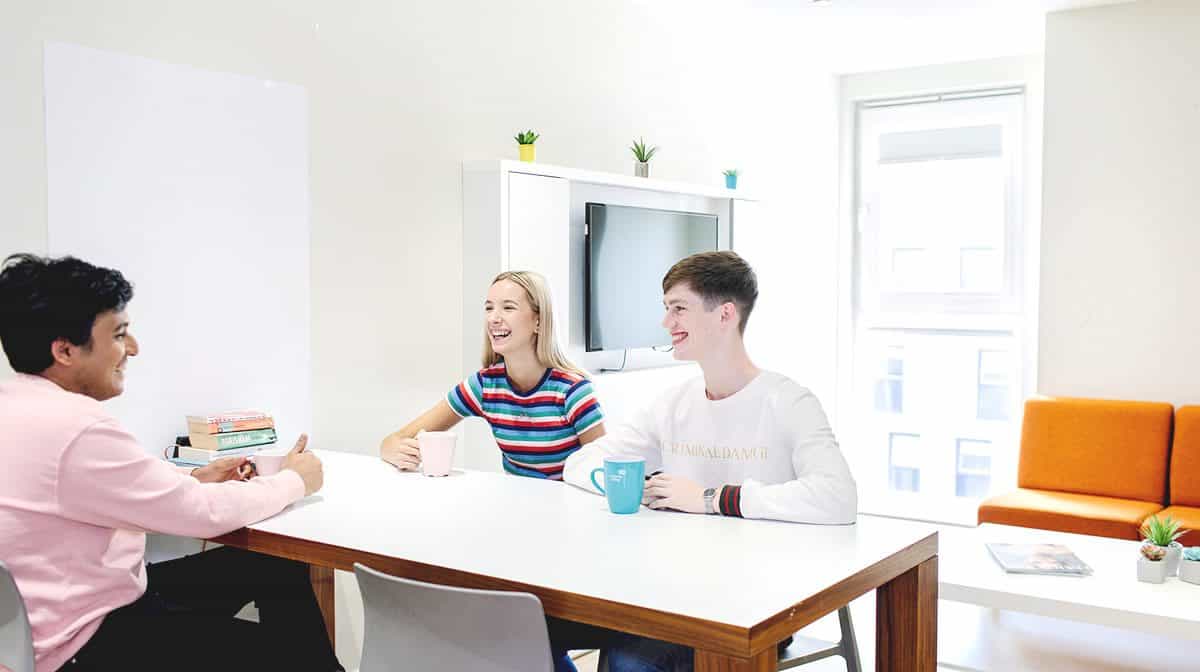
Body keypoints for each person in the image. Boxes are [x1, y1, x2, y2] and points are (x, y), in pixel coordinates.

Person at [0, 253, 340, 672]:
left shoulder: (16, 406)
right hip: (84, 643)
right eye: (120, 334)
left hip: (47, 625)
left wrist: (193, 477)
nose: (134, 349)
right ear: (65, 350)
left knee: (271, 562)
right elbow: (205, 515)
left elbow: (86, 488)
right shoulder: (78, 427)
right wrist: (294, 480)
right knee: (292, 654)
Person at [563, 250, 857, 671]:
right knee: (526, 627)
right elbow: (580, 464)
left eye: (678, 309)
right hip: (670, 591)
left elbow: (838, 496)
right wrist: (634, 486)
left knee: (629, 662)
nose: (667, 324)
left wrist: (711, 498)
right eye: (666, 310)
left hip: (757, 603)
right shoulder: (673, 403)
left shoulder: (789, 401)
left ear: (725, 315)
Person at [379, 270, 609, 671]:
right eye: (488, 308)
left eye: (508, 307)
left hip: (573, 544)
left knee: (523, 634)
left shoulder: (572, 391)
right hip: (517, 539)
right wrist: (394, 448)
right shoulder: (486, 386)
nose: (494, 318)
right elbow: (396, 438)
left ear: (538, 321)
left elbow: (606, 473)